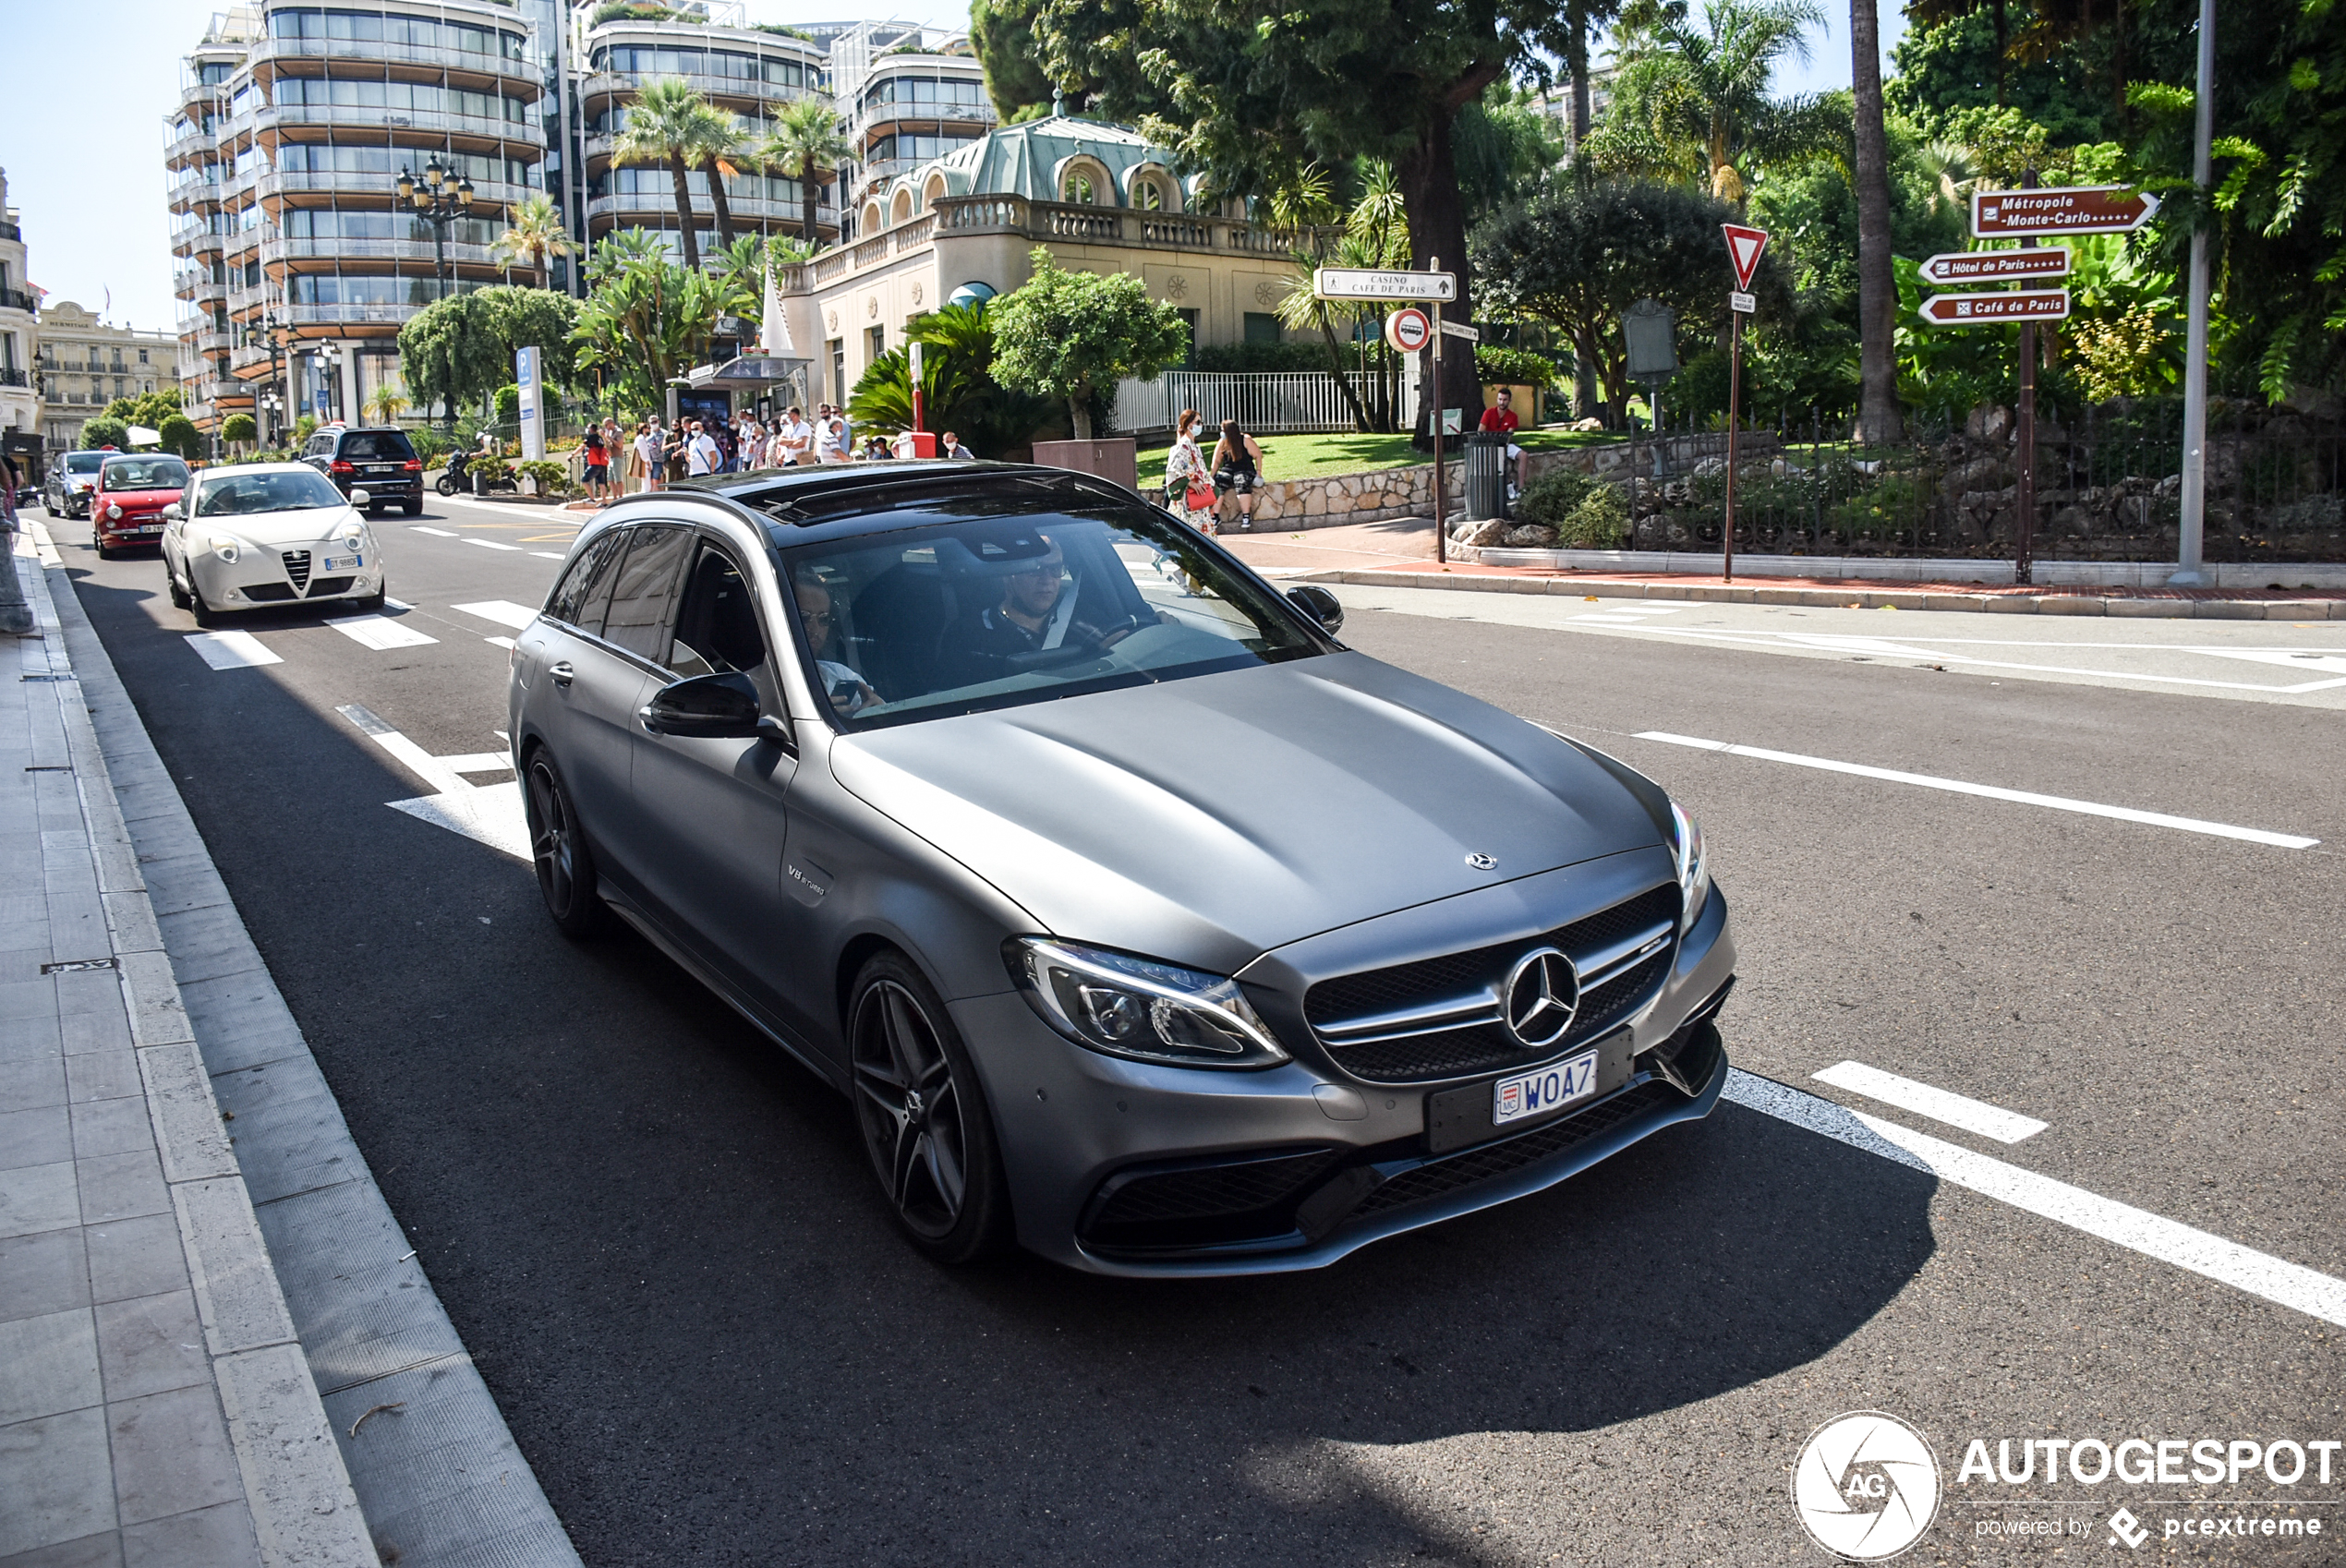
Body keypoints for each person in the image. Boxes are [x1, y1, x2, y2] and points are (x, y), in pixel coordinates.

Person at [937, 534, 1163, 684]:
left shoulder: (1085, 618)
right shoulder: (968, 634)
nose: (1047, 580)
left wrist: (1158, 633)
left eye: (1055, 569)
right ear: (1008, 575)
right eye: (1035, 570)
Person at [792, 574, 881, 716]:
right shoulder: (758, 687)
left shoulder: (843, 675)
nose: (815, 629)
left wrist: (881, 711)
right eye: (804, 617)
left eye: (824, 618)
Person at [1162, 409, 1214, 533]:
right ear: (1190, 424)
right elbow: (1173, 470)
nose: (1201, 425)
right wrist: (1190, 483)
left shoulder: (1195, 447)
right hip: (1187, 499)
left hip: (1199, 499)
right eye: (1199, 422)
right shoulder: (1181, 447)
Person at [1209, 417, 1264, 531]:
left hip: (1245, 469)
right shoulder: (1222, 442)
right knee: (1219, 483)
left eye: (1223, 430)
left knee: (1242, 482)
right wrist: (1211, 477)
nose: (1221, 433)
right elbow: (1216, 461)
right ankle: (1215, 516)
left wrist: (1258, 473)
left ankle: (1246, 515)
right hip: (1228, 470)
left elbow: (1258, 455)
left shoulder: (1245, 439)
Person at [1479, 387, 1526, 495]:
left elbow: (1508, 436)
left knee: (1524, 455)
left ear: (1509, 401)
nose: (1502, 402)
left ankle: (1521, 488)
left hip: (1504, 443)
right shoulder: (1489, 413)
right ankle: (1509, 487)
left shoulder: (1513, 416)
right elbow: (1480, 432)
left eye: (1505, 400)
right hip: (1489, 444)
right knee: (1501, 461)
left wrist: (1503, 444)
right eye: (1500, 399)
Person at [580, 423, 610, 502]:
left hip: (594, 464)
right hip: (601, 464)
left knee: (584, 480)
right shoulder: (600, 438)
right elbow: (597, 449)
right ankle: (604, 502)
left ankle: (591, 498)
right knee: (601, 484)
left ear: (590, 429)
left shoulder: (590, 438)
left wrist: (572, 454)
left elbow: (582, 447)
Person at [633, 421, 662, 492]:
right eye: (647, 428)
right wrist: (647, 462)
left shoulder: (641, 438)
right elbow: (643, 452)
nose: (649, 430)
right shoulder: (640, 438)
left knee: (646, 483)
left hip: (645, 462)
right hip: (645, 463)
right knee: (647, 484)